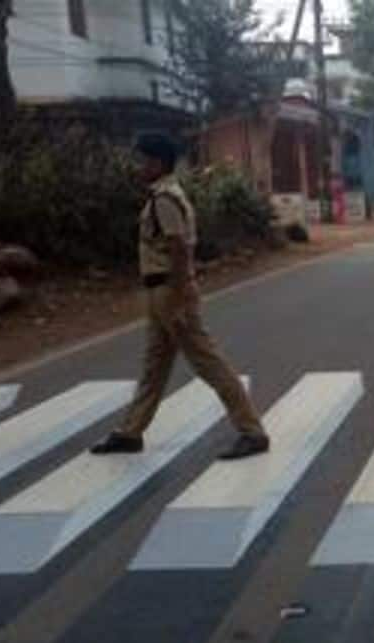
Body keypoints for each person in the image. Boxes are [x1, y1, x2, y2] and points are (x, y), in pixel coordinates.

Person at [92, 134, 270, 460]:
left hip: (169, 291)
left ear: (157, 163)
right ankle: (131, 432)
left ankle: (251, 430)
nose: (138, 168)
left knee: (208, 362)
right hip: (161, 290)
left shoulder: (164, 200)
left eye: (143, 161)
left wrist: (178, 296)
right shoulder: (164, 195)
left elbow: (178, 248)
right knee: (154, 366)